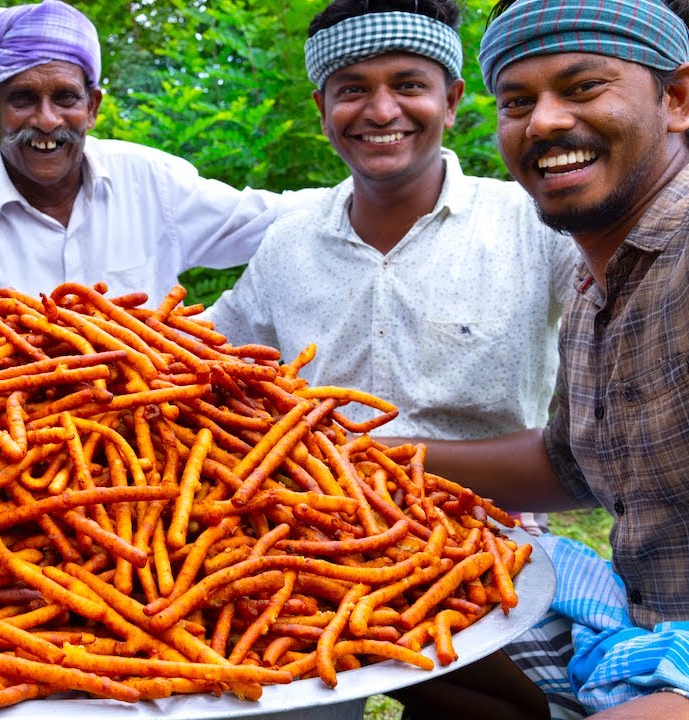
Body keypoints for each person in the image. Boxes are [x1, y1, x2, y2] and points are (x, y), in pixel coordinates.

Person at [395, 0, 689, 717]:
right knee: (392, 610)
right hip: (637, 621)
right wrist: (358, 455)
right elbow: (568, 464)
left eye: (584, 87)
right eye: (517, 101)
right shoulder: (595, 287)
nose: (545, 122)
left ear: (678, 99)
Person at [205, 0, 573, 536]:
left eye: (408, 86)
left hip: (494, 542)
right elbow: (205, 358)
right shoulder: (287, 245)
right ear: (322, 109)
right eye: (352, 89)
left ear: (450, 102)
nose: (381, 111)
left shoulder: (536, 225)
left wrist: (368, 453)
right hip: (313, 543)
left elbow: (583, 452)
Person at [0, 0, 315, 350]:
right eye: (22, 99)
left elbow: (274, 220)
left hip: (152, 442)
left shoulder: (151, 180)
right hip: (2, 453)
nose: (46, 120)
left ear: (93, 107)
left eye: (65, 97)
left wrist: (382, 186)